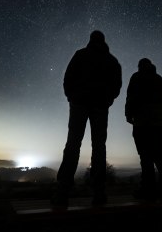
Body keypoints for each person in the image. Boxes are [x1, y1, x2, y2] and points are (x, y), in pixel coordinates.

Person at [51, 30, 122, 207]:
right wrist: (107, 100)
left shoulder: (80, 54)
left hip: (80, 105)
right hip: (98, 106)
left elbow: (68, 78)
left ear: (90, 40)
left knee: (73, 144)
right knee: (99, 146)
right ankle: (99, 192)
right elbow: (116, 85)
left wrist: (72, 96)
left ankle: (62, 191)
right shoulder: (112, 61)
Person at [125, 58, 162, 202]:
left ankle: (148, 189)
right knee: (159, 155)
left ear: (139, 66)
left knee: (145, 156)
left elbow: (130, 97)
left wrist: (128, 114)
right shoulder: (159, 79)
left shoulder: (136, 76)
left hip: (141, 121)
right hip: (158, 122)